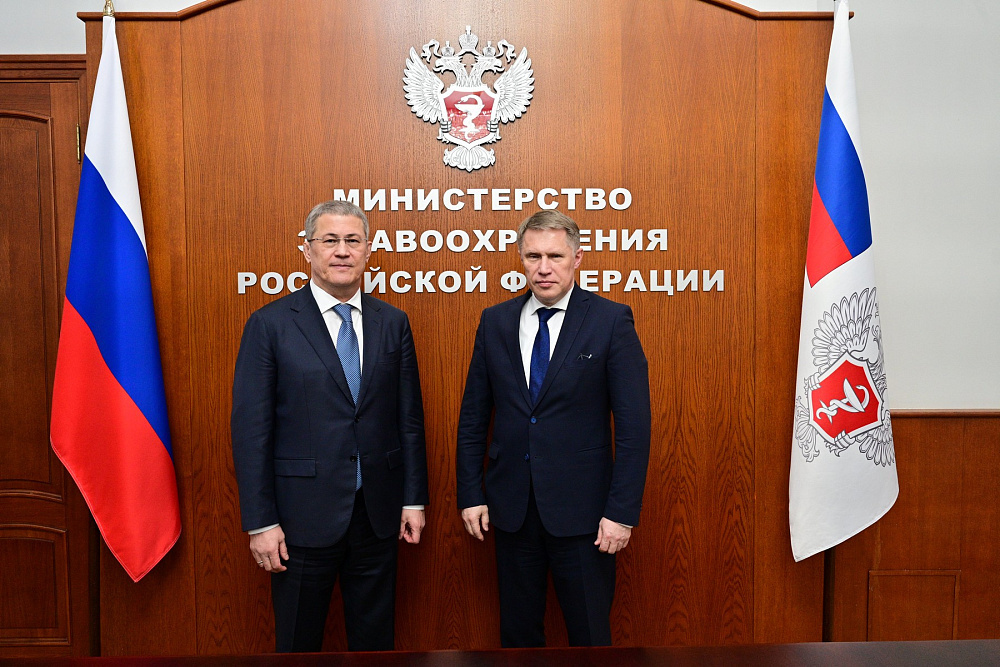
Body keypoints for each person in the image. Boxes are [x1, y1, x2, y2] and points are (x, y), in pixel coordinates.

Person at [231, 200, 428, 652]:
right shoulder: (270, 325)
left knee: (375, 647)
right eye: (330, 240)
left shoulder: (392, 323)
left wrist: (413, 499)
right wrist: (261, 522)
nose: (342, 251)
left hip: (377, 516)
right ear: (307, 249)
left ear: (368, 249)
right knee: (298, 646)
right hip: (299, 521)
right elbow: (251, 433)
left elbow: (409, 421)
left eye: (353, 241)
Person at [456, 209, 651, 647]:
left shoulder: (610, 321)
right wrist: (470, 494)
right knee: (518, 637)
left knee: (590, 637)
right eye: (533, 256)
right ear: (521, 258)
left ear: (577, 258)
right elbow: (473, 418)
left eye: (555, 256)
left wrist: (621, 513)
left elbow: (634, 428)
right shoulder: (495, 321)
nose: (543, 268)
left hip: (586, 517)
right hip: (512, 511)